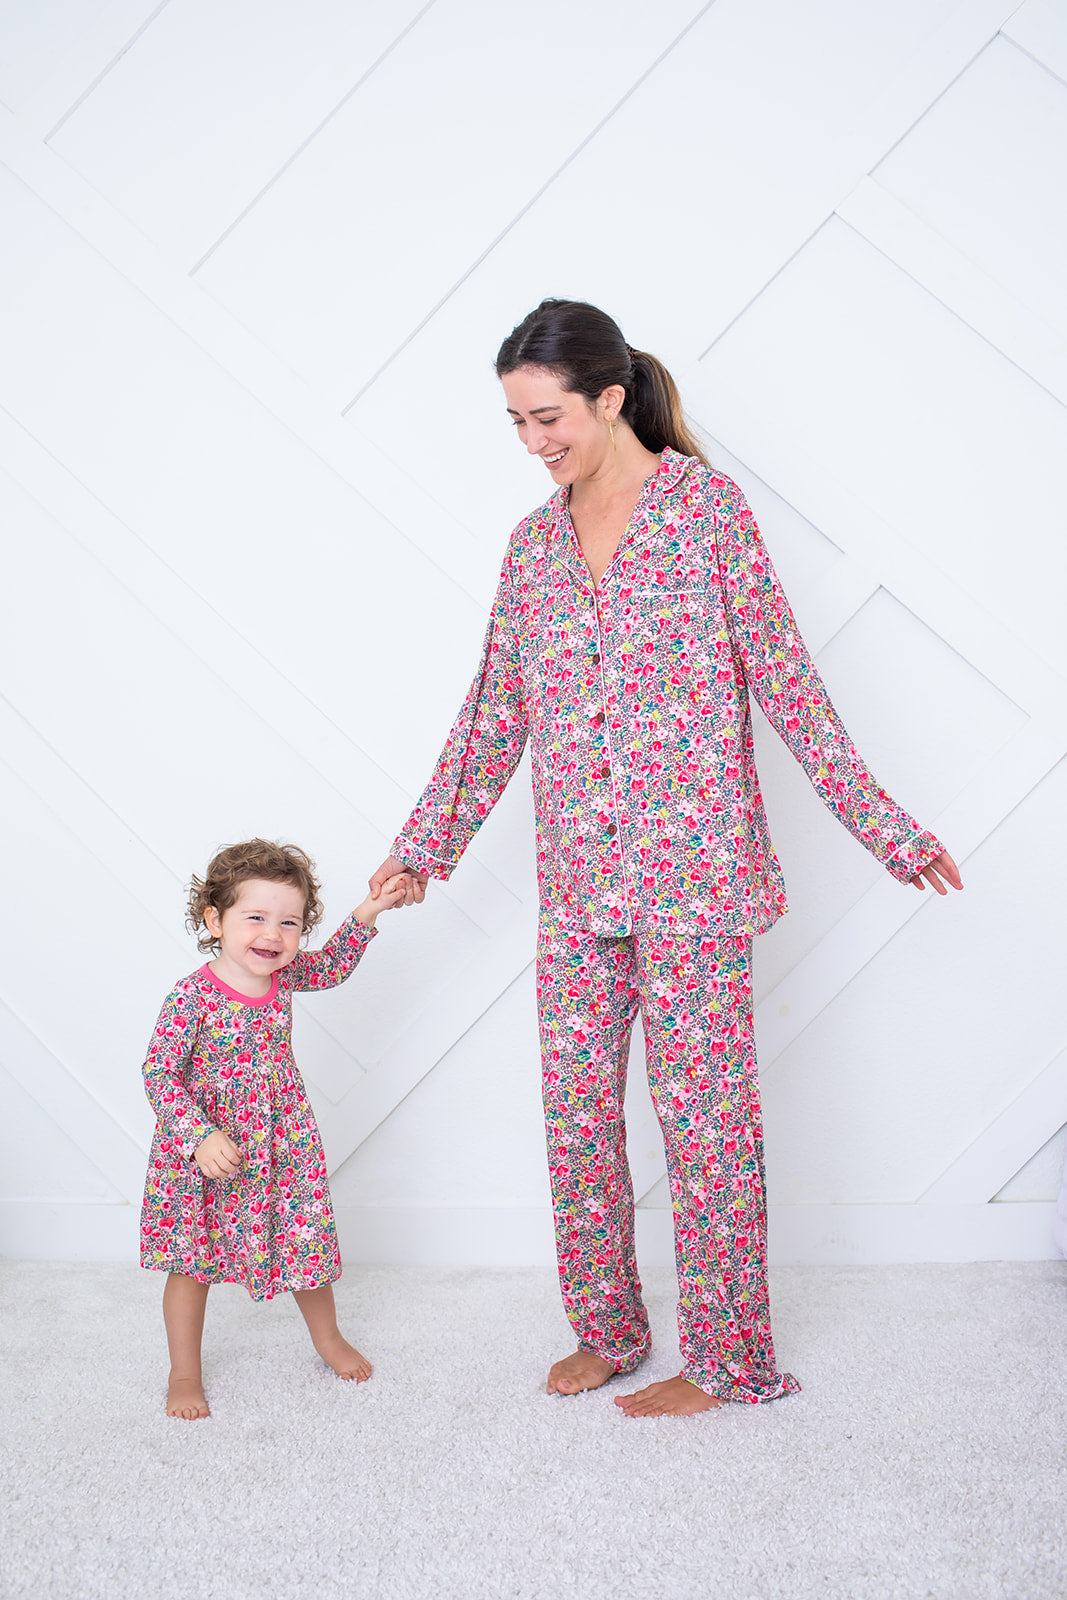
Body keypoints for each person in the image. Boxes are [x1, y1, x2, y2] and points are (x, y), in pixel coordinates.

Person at [370, 298, 963, 1417]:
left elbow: (784, 677)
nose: (533, 441)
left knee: (706, 1130)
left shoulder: (704, 513)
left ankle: (730, 1359)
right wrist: (424, 849)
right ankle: (608, 1330)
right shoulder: (532, 544)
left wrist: (882, 826)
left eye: (547, 415)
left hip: (694, 884)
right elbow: (496, 708)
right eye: (513, 422)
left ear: (607, 396)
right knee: (576, 1118)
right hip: (579, 883)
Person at [140, 837, 407, 1419]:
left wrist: (371, 908)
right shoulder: (192, 997)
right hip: (211, 1150)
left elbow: (333, 965)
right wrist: (197, 1136)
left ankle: (328, 1339)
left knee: (304, 1243)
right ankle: (184, 1371)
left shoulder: (282, 978)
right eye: (255, 917)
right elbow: (160, 1074)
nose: (273, 934)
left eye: (289, 922)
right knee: (192, 1262)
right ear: (214, 919)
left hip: (280, 1142)